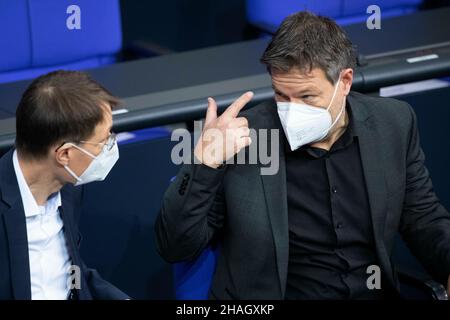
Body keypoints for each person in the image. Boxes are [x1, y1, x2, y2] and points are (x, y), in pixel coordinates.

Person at [155, 11, 450, 299]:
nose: (291, 110)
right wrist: (204, 163)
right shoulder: (245, 140)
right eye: (281, 95)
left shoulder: (393, 123)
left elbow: (422, 217)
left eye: (307, 97)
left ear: (344, 82)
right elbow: (175, 246)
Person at [0, 70, 129, 300]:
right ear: (65, 154)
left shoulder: (69, 189)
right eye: (103, 141)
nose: (111, 145)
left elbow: (71, 274)